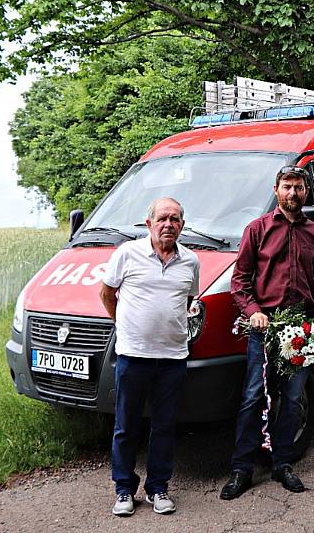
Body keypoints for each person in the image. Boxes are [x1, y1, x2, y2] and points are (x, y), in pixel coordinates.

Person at [220, 165, 314, 500]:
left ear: (306, 192)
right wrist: (254, 312)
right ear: (276, 190)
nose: (293, 193)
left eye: (299, 187)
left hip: (302, 328)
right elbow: (239, 282)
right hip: (265, 328)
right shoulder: (256, 230)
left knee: (292, 398)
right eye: (287, 186)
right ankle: (242, 468)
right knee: (253, 397)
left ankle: (282, 462)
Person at [99, 197, 200, 516]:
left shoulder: (191, 261)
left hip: (172, 358)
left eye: (175, 219)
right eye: (162, 219)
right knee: (126, 426)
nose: (168, 224)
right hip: (133, 356)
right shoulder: (127, 254)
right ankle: (124, 490)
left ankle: (158, 488)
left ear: (182, 226)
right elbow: (106, 293)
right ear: (149, 223)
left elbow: (187, 299)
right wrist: (125, 324)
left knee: (165, 426)